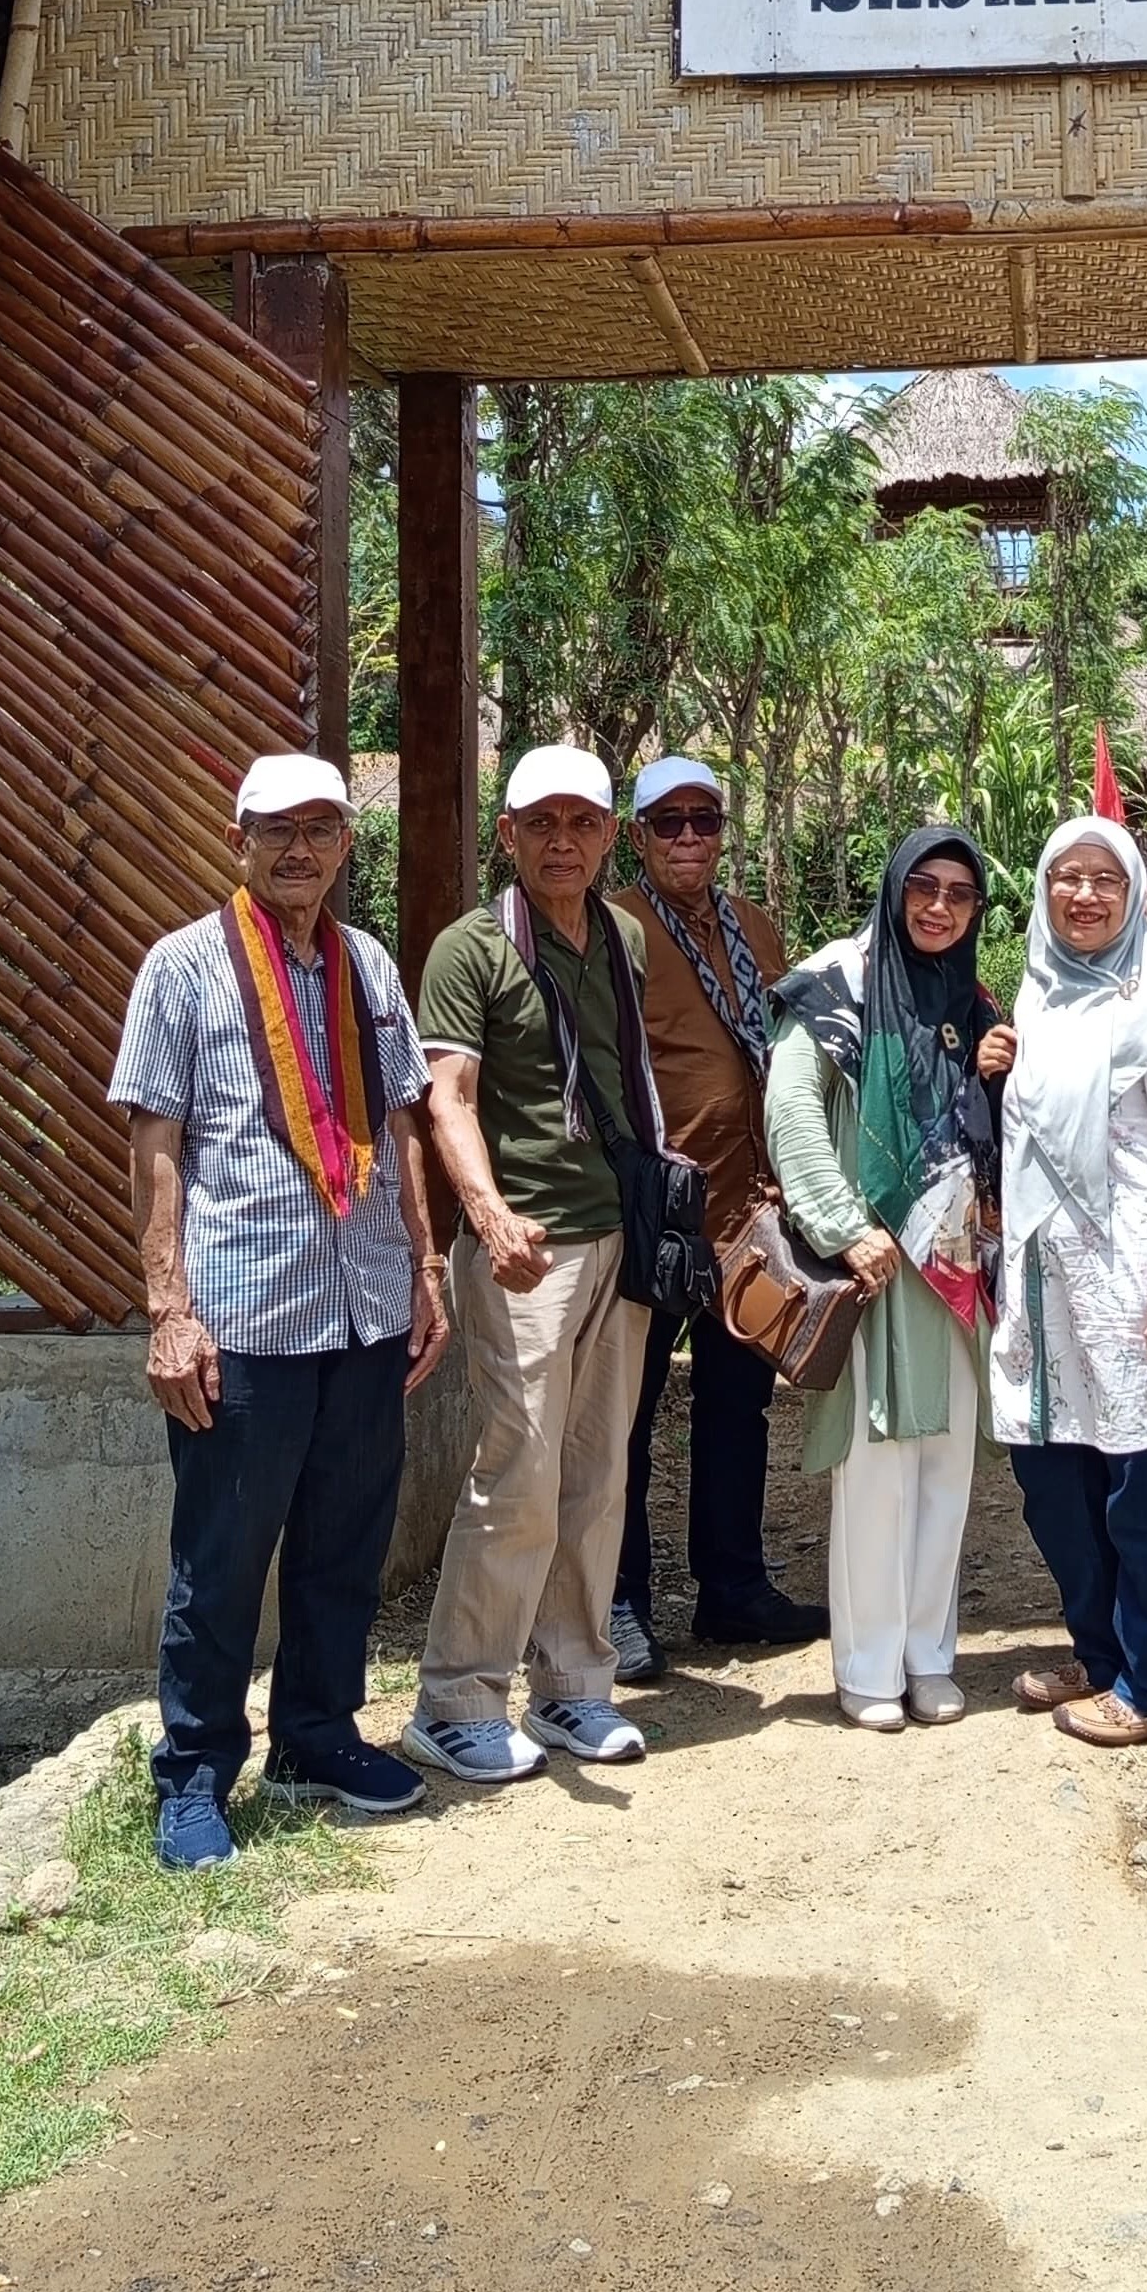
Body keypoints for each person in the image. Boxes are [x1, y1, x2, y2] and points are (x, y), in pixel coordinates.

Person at [108, 754, 448, 1870]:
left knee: (345, 1546)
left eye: (320, 829)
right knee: (222, 1557)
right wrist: (168, 1311)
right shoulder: (183, 966)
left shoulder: (367, 966)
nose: (299, 849)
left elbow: (402, 1121)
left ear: (347, 843)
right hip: (245, 1320)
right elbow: (155, 1142)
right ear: (238, 839)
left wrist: (425, 1265)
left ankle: (315, 1737)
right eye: (277, 829)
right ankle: (194, 1774)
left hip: (362, 1311)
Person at [405, 747, 661, 1786]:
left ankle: (571, 1686)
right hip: (525, 1252)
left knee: (597, 1474)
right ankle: (457, 1700)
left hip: (614, 1238)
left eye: (583, 823)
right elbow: (448, 1095)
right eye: (541, 823)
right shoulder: (471, 949)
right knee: (518, 1470)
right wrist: (488, 1213)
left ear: (609, 836)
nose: (563, 842)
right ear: (505, 834)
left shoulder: (623, 936)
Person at [764, 830, 1012, 1731]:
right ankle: (868, 1666)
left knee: (946, 1463)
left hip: (955, 1263)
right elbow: (791, 1110)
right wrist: (842, 1227)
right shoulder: (835, 985)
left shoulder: (972, 1002)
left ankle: (928, 1656)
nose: (939, 907)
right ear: (895, 887)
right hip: (872, 1261)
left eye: (959, 893)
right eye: (923, 887)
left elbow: (986, 1129)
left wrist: (993, 1075)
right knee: (876, 1467)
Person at [991, 818, 1147, 1747]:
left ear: (1135, 895)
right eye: (1066, 876)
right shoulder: (1041, 990)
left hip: (1135, 1276)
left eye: (1106, 880)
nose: (1084, 895)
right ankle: (1100, 1653)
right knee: (1055, 1475)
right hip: (1044, 1281)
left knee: (1145, 1476)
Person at [606, 756, 825, 1675]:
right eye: (669, 823)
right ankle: (619, 1603)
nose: (689, 837)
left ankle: (733, 1589)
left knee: (739, 1405)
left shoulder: (753, 925)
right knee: (625, 1413)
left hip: (748, 1213)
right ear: (639, 835)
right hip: (658, 1217)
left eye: (705, 820)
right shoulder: (616, 928)